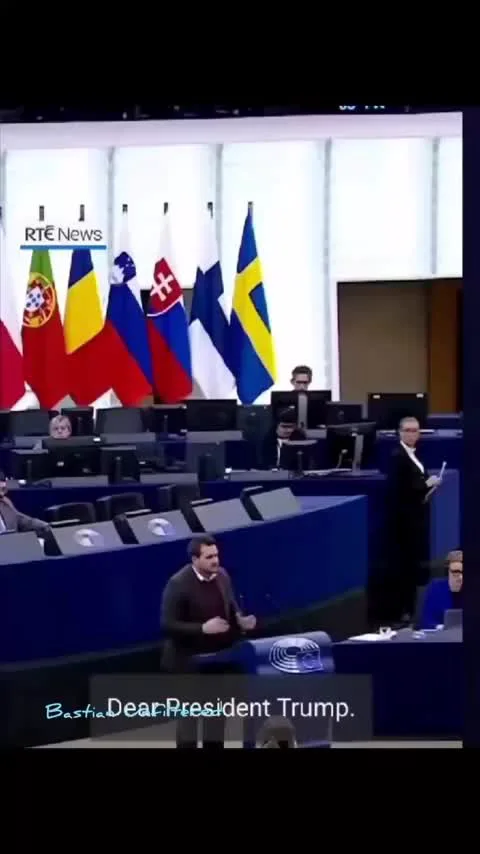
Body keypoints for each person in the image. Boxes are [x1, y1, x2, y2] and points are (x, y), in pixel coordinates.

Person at [160, 535, 256, 748]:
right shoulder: (178, 584)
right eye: (209, 557)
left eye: (216, 555)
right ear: (195, 559)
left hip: (217, 663)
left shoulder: (222, 576)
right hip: (187, 665)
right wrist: (202, 628)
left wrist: (240, 621)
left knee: (215, 722)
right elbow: (167, 625)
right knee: (189, 726)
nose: (215, 561)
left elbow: (231, 606)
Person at [380, 416, 443, 625]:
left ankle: (411, 610)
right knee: (404, 569)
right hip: (402, 525)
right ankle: (402, 613)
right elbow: (402, 489)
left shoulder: (414, 456)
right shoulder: (397, 456)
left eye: (415, 430)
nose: (411, 434)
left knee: (412, 568)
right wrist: (427, 484)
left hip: (415, 521)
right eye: (407, 430)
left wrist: (429, 486)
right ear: (399, 432)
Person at [420, 549, 463, 629]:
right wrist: (442, 628)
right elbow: (426, 621)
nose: (460, 577)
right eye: (456, 572)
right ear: (448, 572)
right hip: (441, 633)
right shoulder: (436, 588)